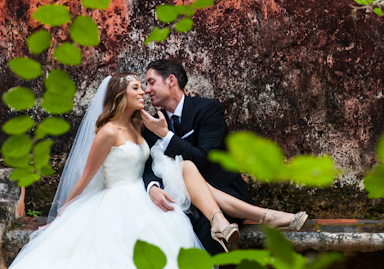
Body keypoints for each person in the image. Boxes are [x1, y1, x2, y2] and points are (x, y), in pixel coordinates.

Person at [9, 73, 237, 269]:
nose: (143, 93)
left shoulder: (138, 125)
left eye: (143, 87)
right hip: (116, 199)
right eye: (136, 88)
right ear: (120, 95)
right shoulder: (108, 132)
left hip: (144, 193)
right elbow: (87, 175)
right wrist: (62, 214)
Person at [141, 59, 308, 254]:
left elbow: (205, 158)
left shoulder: (207, 110)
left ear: (171, 80)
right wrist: (152, 187)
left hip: (223, 193)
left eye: (151, 82)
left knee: (204, 231)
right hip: (180, 200)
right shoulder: (152, 125)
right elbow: (145, 165)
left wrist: (167, 136)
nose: (146, 90)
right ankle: (267, 216)